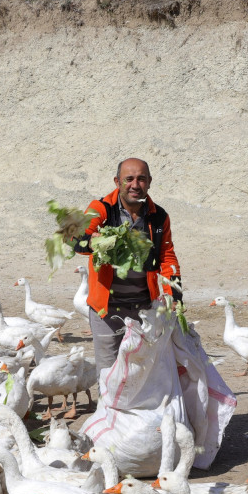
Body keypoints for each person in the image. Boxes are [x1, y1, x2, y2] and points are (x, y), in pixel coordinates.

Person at [71, 158, 182, 372]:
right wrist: (92, 242)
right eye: (128, 179)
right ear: (117, 182)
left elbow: (167, 257)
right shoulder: (101, 209)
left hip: (144, 308)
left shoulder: (159, 216)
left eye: (141, 179)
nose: (135, 185)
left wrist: (174, 296)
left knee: (141, 371)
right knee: (108, 372)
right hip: (106, 310)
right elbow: (75, 240)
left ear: (149, 182)